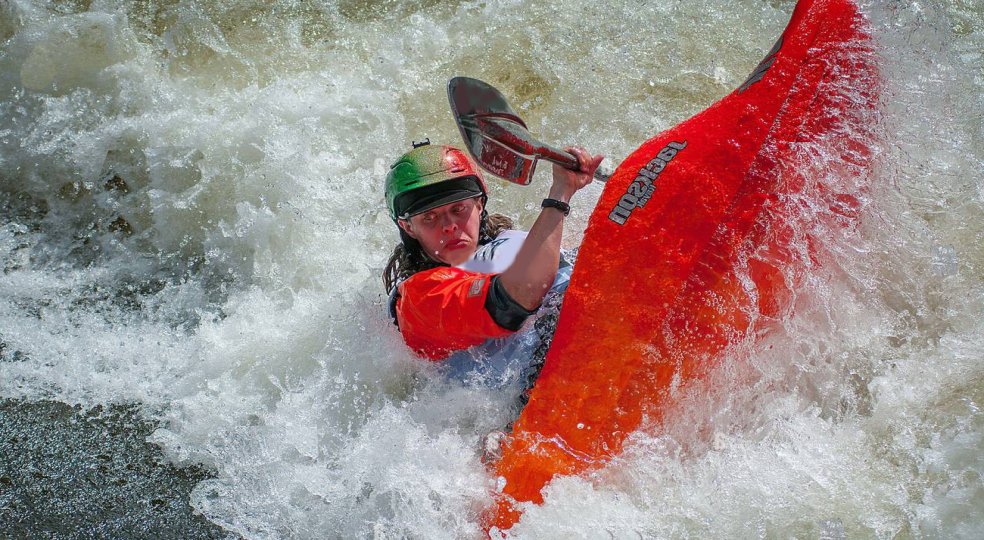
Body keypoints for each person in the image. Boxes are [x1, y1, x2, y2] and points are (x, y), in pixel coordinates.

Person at [382, 141, 602, 401]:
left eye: (458, 209)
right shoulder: (419, 299)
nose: (449, 226)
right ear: (408, 228)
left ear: (479, 205)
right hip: (527, 403)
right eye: (429, 218)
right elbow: (519, 297)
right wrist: (560, 194)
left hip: (577, 345)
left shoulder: (508, 243)